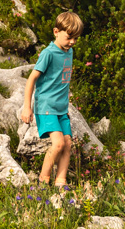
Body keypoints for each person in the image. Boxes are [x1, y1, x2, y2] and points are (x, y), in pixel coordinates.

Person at [20, 11, 83, 187]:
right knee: (58, 143)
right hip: (46, 107)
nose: (72, 42)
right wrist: (27, 107)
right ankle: (43, 180)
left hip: (61, 108)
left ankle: (61, 182)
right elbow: (31, 79)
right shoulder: (48, 53)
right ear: (56, 32)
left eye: (76, 38)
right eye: (69, 37)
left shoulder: (69, 52)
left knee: (68, 143)